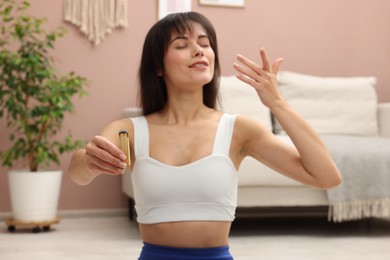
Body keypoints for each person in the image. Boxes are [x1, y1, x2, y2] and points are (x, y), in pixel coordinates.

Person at [67, 12, 341, 260]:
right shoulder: (129, 129)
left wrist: (277, 103)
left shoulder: (239, 130)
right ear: (158, 67)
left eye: (205, 43)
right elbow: (77, 173)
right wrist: (90, 163)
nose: (199, 51)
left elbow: (326, 177)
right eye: (182, 45)